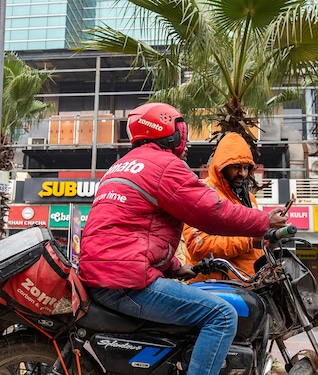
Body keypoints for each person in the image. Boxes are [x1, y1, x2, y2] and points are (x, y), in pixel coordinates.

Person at [77, 102, 287, 375]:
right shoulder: (164, 166)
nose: (185, 140)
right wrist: (264, 221)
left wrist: (175, 268)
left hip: (106, 274)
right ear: (167, 132)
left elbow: (135, 232)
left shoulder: (122, 166)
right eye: (182, 130)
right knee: (222, 316)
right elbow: (211, 213)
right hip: (125, 282)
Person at [183, 132, 266, 281]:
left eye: (246, 168)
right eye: (236, 167)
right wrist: (249, 242)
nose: (243, 173)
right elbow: (198, 246)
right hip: (217, 289)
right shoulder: (203, 194)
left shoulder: (249, 198)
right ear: (221, 167)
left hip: (250, 287)